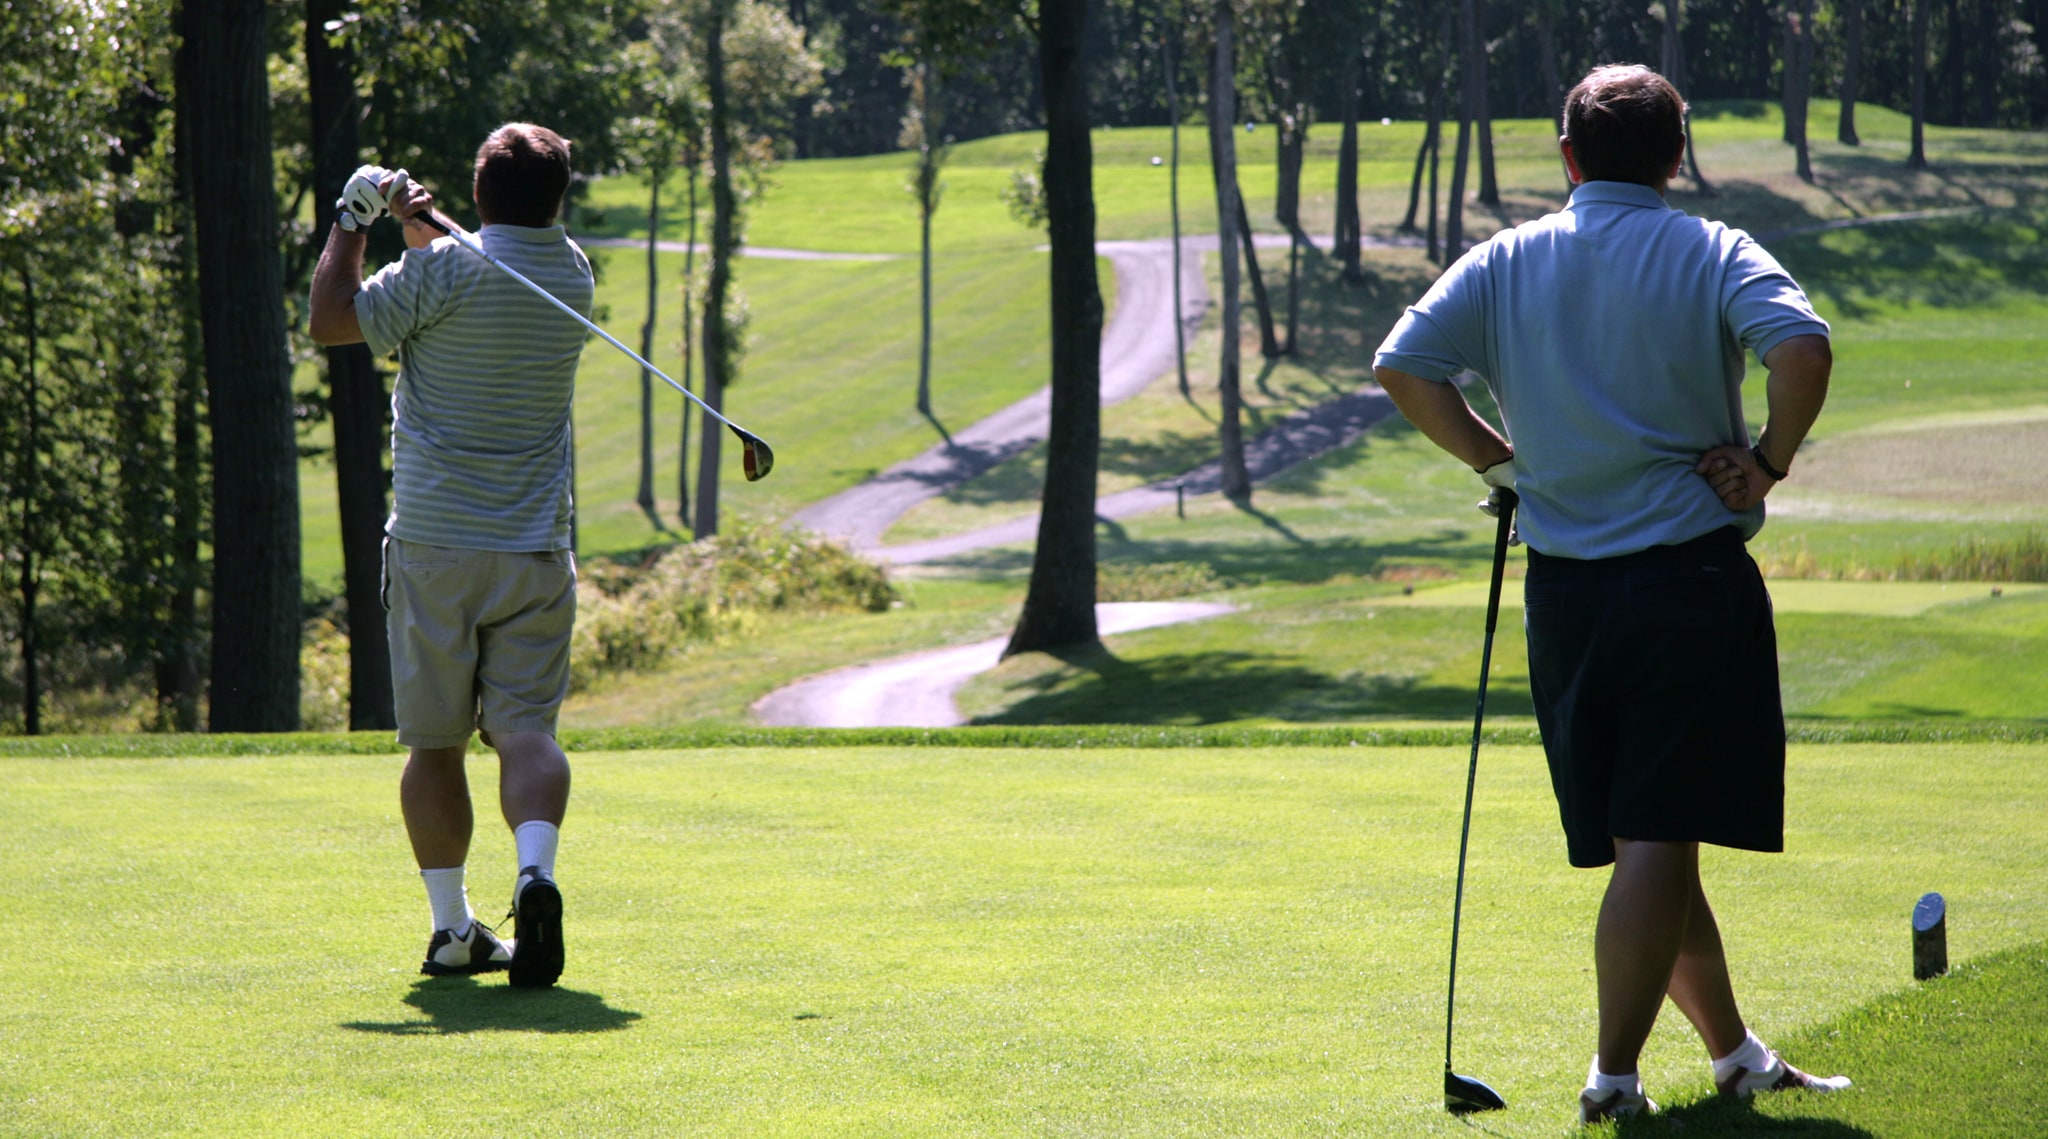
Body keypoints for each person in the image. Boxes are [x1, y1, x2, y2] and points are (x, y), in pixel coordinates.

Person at [1371, 65, 1850, 1123]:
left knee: (1651, 833)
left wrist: (1501, 464)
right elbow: (1801, 347)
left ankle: (1732, 1056)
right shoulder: (1711, 249)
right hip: (1687, 581)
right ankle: (1612, 1080)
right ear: (1674, 154)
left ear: (1566, 156)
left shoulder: (1505, 257)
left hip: (1567, 599)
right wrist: (1765, 461)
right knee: (1657, 834)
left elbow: (1403, 365)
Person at [309, 123, 592, 989]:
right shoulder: (570, 273)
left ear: (478, 195)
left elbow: (331, 322)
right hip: (534, 549)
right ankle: (535, 873)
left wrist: (355, 219)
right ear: (559, 198)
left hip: (435, 546)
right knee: (525, 732)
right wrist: (422, 229)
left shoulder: (439, 273)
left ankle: (451, 930)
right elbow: (471, 278)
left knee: (436, 746)